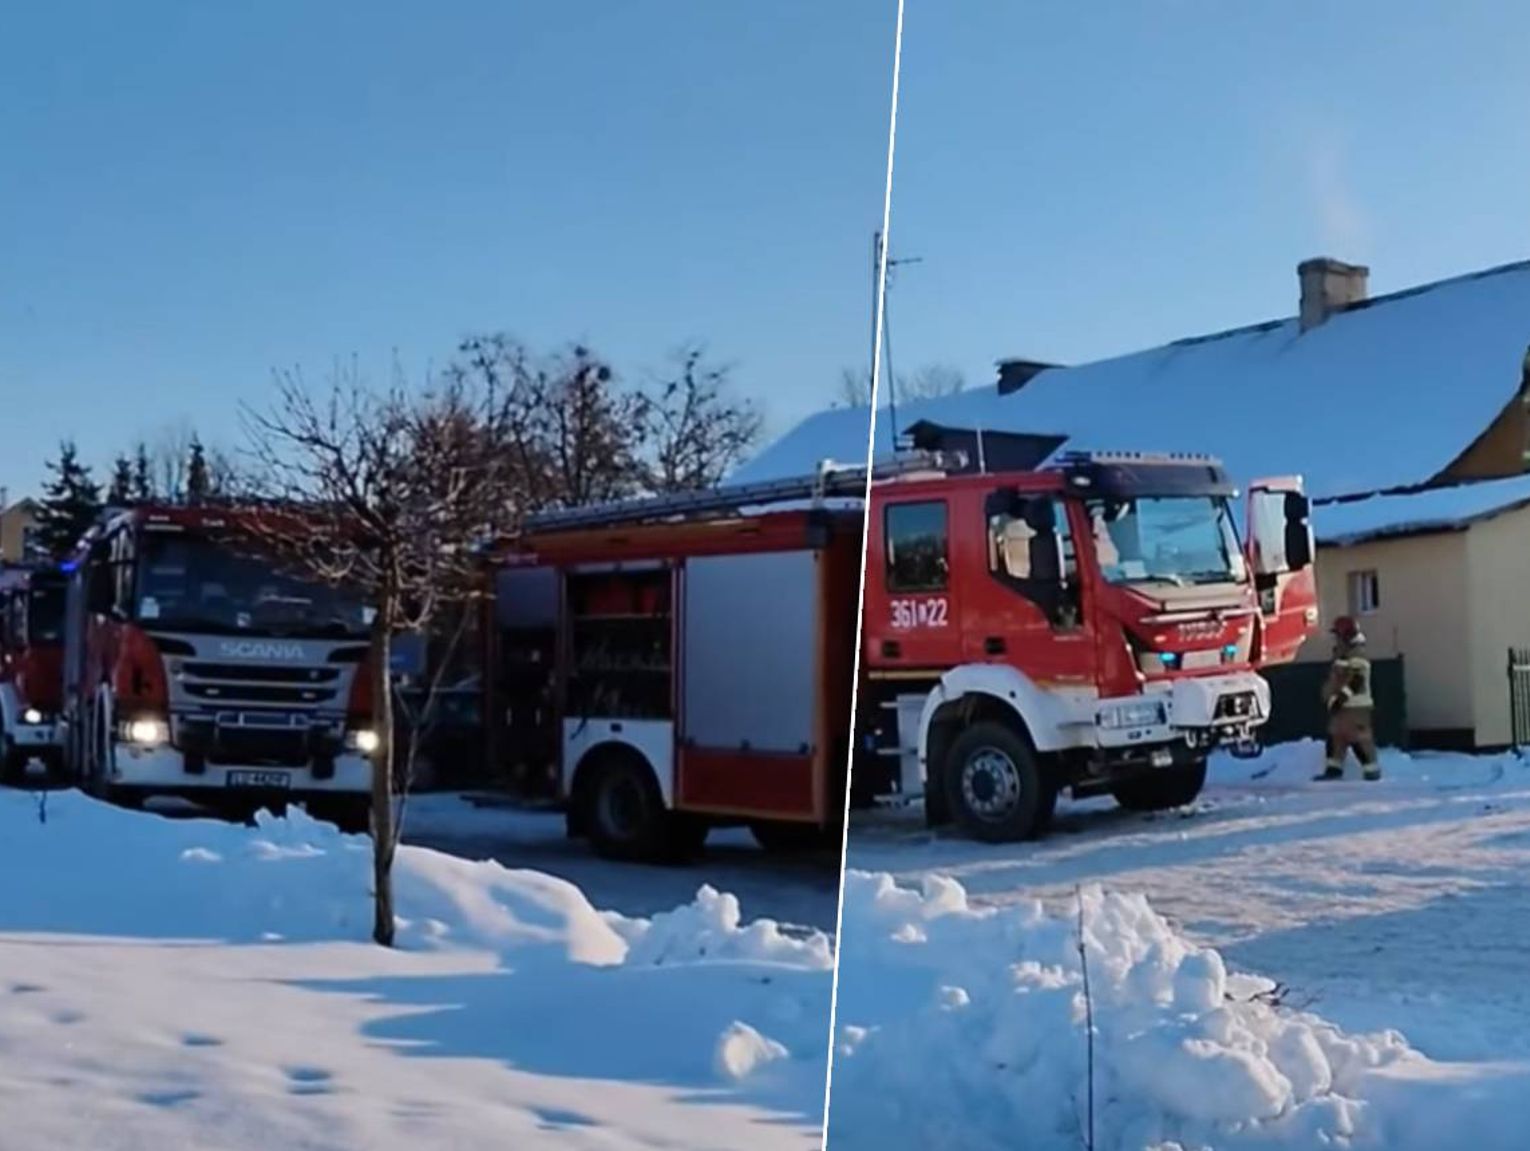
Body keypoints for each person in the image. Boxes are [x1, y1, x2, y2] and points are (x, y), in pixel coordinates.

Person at [1317, 616, 1380, 781]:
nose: (1335, 638)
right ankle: (1333, 770)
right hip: (1342, 709)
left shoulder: (1357, 653)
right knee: (1336, 737)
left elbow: (1356, 680)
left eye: (1337, 634)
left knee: (1359, 739)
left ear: (1345, 635)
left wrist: (1340, 699)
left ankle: (1371, 773)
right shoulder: (1342, 653)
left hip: (1356, 708)